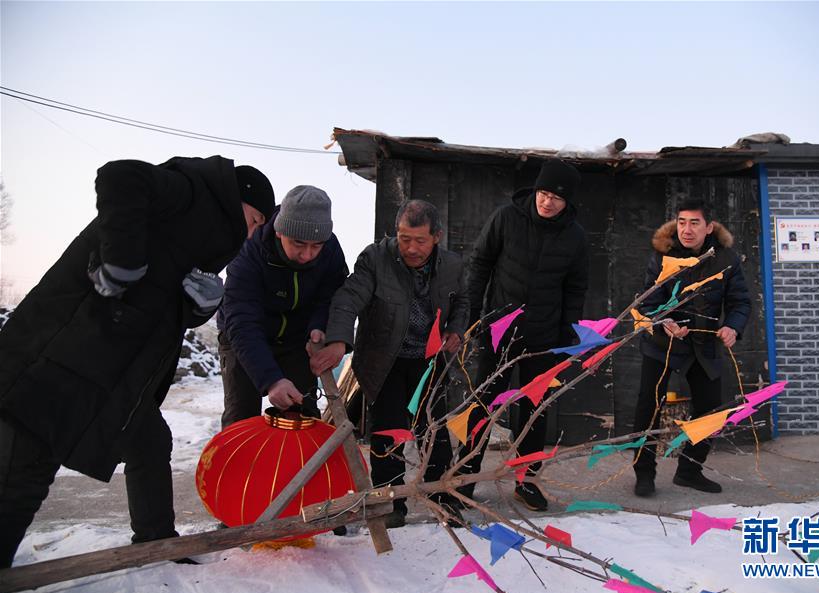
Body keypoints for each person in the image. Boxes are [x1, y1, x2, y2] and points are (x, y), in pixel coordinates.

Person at [0, 156, 275, 568]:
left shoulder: (196, 237)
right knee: (26, 471)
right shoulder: (192, 192)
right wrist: (121, 261)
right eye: (254, 220)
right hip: (59, 356)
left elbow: (155, 300)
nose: (252, 234)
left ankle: (156, 542)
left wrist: (195, 306)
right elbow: (119, 176)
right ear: (237, 200)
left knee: (149, 440)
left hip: (112, 376)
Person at [310, 200, 469, 529]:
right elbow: (349, 297)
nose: (411, 248)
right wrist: (340, 339)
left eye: (419, 240)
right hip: (386, 358)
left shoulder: (452, 265)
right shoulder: (375, 259)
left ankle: (441, 495)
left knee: (435, 429)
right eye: (403, 238)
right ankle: (390, 502)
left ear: (436, 237)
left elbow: (462, 299)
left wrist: (455, 328)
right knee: (387, 431)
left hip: (430, 360)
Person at [464, 158, 588, 512]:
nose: (547, 202)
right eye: (543, 193)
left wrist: (568, 336)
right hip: (499, 333)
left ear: (568, 202)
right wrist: (475, 317)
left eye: (556, 198)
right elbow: (480, 264)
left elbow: (576, 288)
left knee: (534, 412)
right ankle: (465, 476)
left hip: (544, 337)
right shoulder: (506, 218)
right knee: (482, 405)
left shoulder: (575, 236)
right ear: (535, 190)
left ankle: (527, 481)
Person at [632, 198, 751, 498]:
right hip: (663, 344)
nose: (687, 229)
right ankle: (643, 474)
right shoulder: (662, 256)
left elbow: (740, 302)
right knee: (648, 407)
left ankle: (689, 470)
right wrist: (665, 322)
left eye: (694, 223)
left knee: (712, 411)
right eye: (682, 222)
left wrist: (732, 327)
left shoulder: (727, 259)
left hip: (703, 343)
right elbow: (648, 302)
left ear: (709, 227)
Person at [217, 186, 348, 428]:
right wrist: (271, 380)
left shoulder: (330, 249)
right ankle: (240, 465)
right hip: (243, 338)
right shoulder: (249, 251)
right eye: (298, 243)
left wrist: (320, 325)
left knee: (302, 418)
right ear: (280, 232)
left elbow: (334, 295)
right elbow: (242, 321)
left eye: (316, 246)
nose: (307, 254)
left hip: (296, 340)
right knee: (241, 418)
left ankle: (299, 467)